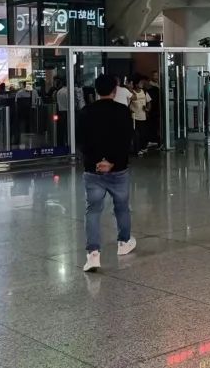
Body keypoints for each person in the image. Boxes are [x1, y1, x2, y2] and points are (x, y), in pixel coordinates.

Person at [77, 75, 136, 272]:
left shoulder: (86, 112)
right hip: (118, 170)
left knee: (93, 210)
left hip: (93, 171)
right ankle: (124, 242)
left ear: (96, 91)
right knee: (122, 207)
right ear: (115, 90)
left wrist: (98, 161)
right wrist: (111, 162)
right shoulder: (122, 111)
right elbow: (126, 140)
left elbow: (82, 142)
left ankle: (93, 254)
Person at [129, 77, 151, 156]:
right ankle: (137, 149)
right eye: (140, 83)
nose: (142, 84)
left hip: (143, 116)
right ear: (136, 84)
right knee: (136, 134)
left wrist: (147, 109)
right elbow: (128, 103)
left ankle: (143, 147)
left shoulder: (144, 92)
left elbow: (149, 102)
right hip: (134, 117)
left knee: (143, 133)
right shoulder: (132, 93)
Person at [144, 72, 162, 148]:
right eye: (154, 75)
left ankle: (155, 140)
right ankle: (153, 140)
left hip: (157, 108)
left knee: (156, 125)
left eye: (157, 75)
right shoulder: (151, 86)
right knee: (153, 125)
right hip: (153, 109)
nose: (156, 77)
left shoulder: (159, 85)